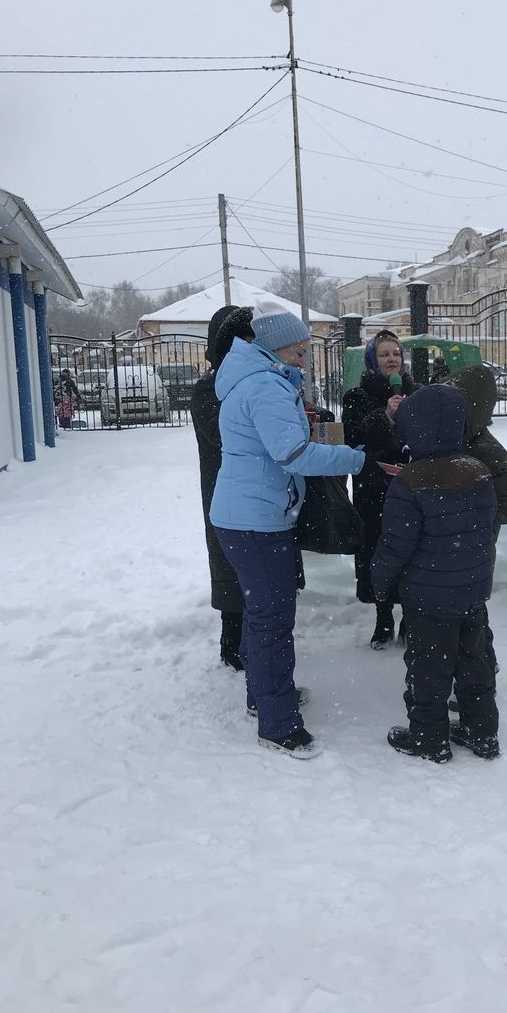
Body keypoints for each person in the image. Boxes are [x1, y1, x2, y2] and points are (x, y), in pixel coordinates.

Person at [210, 300, 366, 759]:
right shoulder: (264, 387)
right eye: (299, 353)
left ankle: (264, 696)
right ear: (277, 347)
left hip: (248, 514)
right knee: (273, 619)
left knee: (264, 615)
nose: (303, 360)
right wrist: (356, 458)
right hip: (255, 520)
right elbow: (294, 455)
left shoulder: (255, 380)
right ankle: (278, 724)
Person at [371, 384, 499, 764]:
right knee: (475, 663)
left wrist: (379, 581)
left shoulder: (408, 481)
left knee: (428, 670)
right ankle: (482, 733)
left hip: (428, 599)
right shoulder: (478, 470)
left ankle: (429, 739)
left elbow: (396, 545)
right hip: (473, 591)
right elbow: (486, 528)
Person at [342, 329, 416, 649]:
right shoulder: (357, 397)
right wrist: (386, 415)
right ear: (373, 360)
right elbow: (353, 437)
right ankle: (383, 615)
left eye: (396, 354)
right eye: (385, 354)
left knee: (412, 550)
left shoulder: (416, 391)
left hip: (411, 485)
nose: (392, 359)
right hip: (373, 486)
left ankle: (411, 616)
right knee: (378, 551)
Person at [444, 363, 507, 675]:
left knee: (469, 617)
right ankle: (480, 666)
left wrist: (472, 524)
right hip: (457, 550)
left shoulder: (488, 451)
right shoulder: (454, 443)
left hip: (475, 550)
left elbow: (505, 507)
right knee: (467, 615)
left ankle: (477, 679)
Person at [191, 305, 252, 671]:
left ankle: (254, 640)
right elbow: (221, 436)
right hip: (224, 493)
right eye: (240, 341)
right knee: (231, 567)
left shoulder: (258, 382)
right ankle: (231, 645)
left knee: (256, 572)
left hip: (257, 493)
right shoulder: (207, 391)